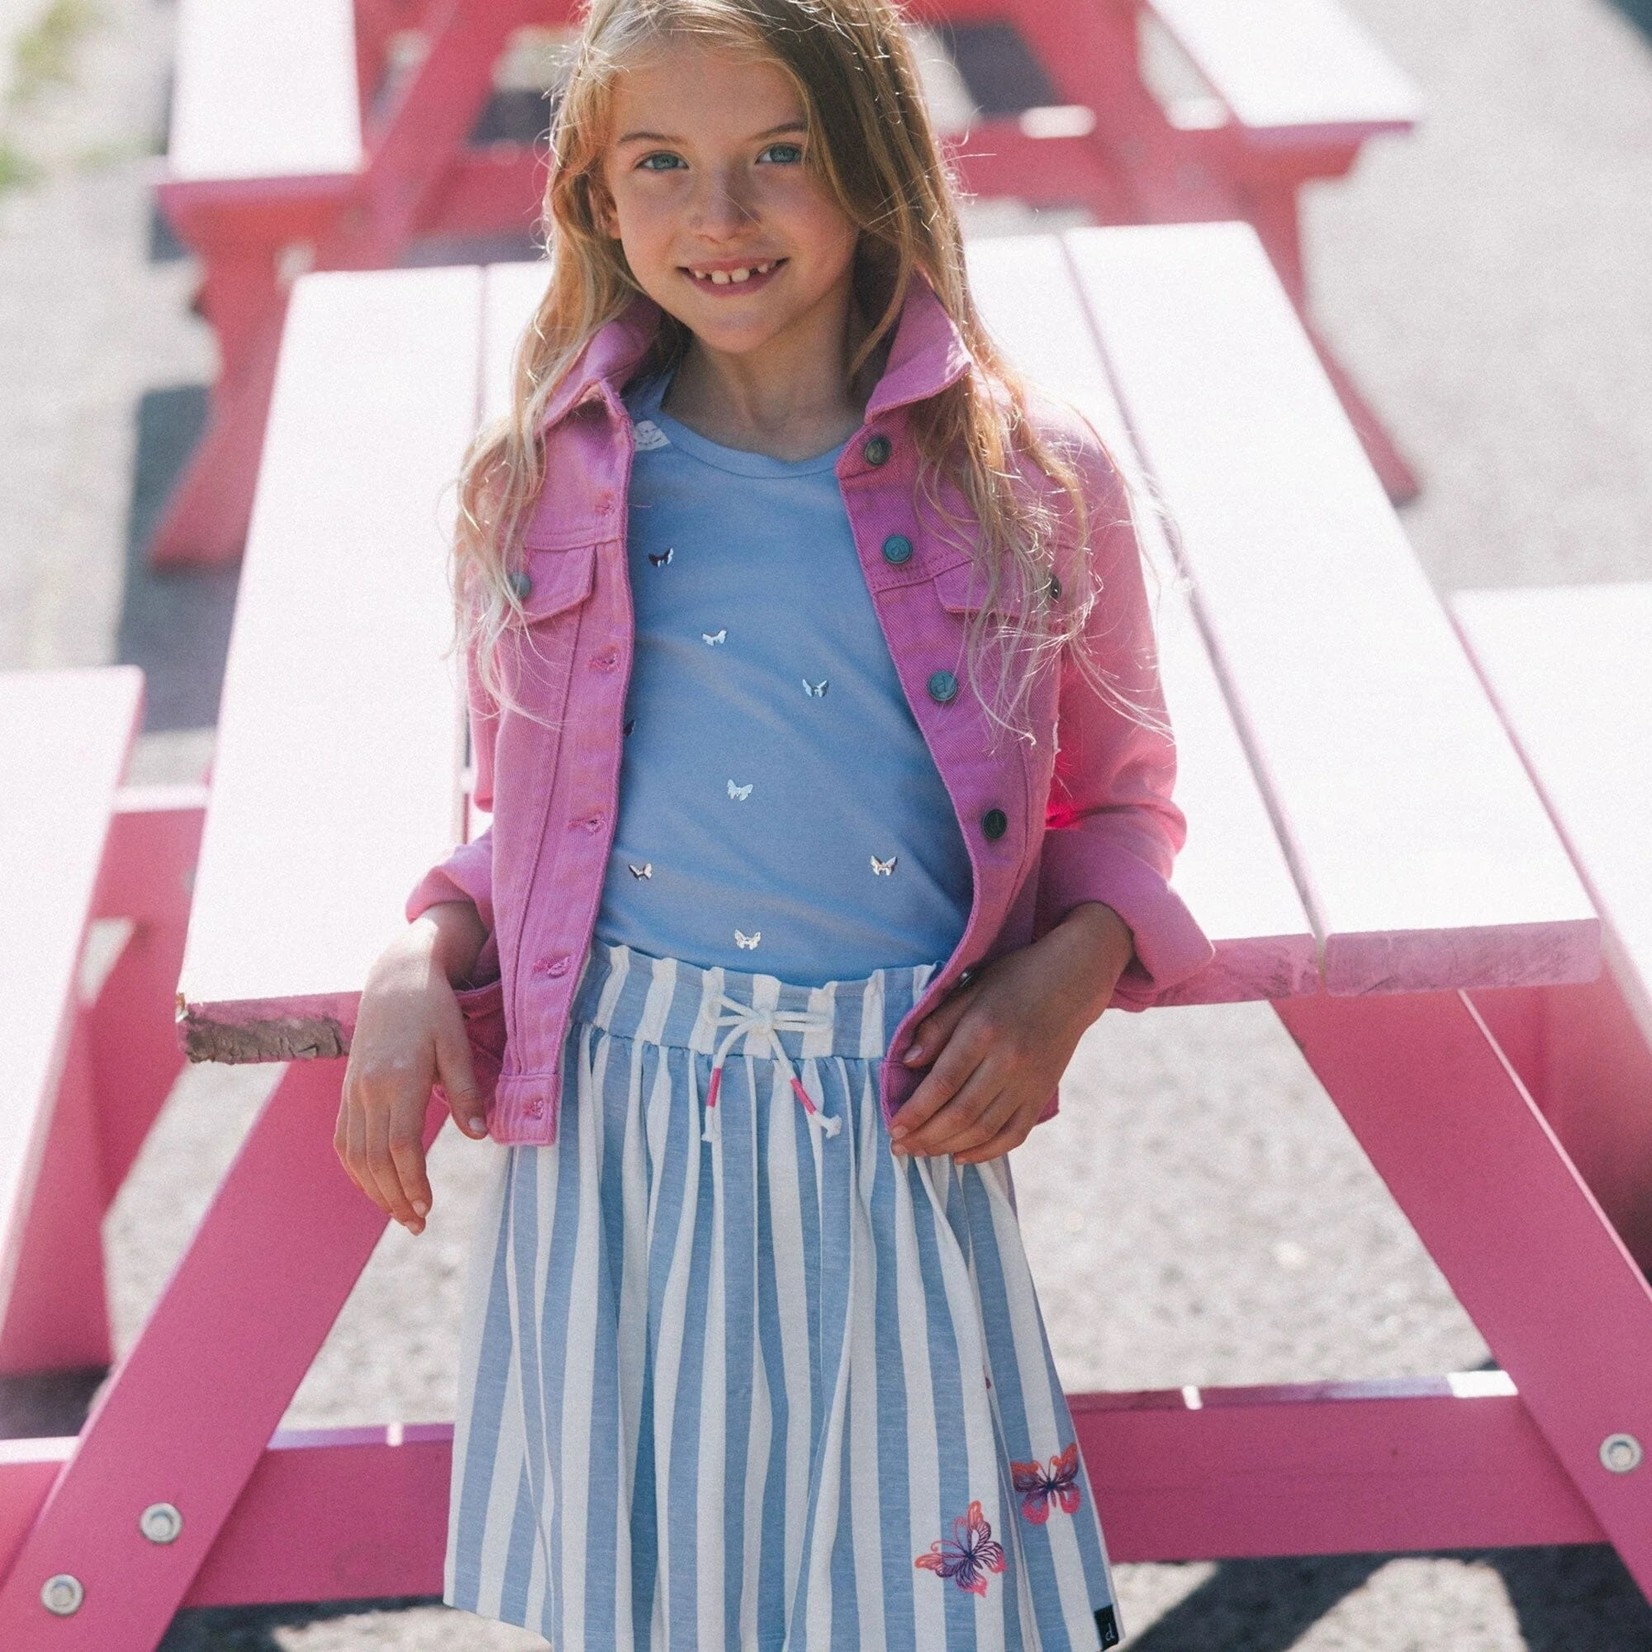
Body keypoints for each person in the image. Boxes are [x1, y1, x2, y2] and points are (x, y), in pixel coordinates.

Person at [337, 0, 1213, 1645]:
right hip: (627, 1112)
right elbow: (529, 829)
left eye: (778, 158)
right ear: (595, 198)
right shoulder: (544, 482)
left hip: (887, 1118)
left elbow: (1128, 809)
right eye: (659, 163)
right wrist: (418, 951)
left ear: (876, 165)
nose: (716, 217)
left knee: (919, 1596)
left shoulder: (1025, 477)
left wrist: (1069, 979)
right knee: (665, 1584)